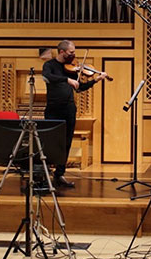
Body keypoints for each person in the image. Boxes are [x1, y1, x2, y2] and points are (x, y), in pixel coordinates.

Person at [41, 40, 108, 187]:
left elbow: (79, 87)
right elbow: (48, 76)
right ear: (62, 52)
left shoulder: (71, 68)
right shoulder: (49, 65)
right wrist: (67, 80)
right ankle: (45, 175)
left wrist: (96, 80)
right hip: (54, 109)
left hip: (69, 109)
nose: (74, 55)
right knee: (50, 143)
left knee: (66, 143)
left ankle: (59, 174)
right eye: (71, 52)